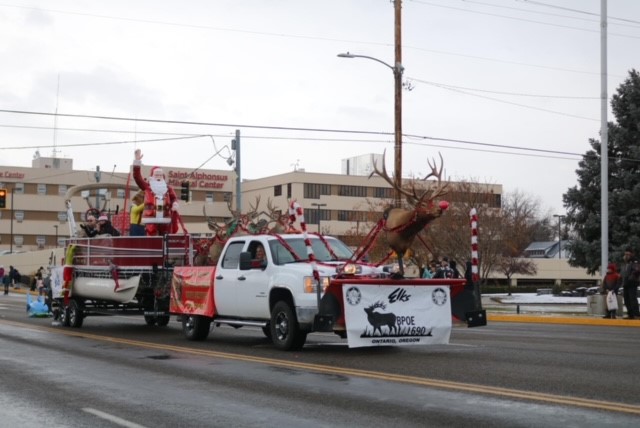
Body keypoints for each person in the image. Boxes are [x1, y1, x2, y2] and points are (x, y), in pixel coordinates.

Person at [132, 149, 180, 236]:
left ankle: (165, 249)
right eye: (156, 175)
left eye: (160, 175)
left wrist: (175, 204)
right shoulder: (147, 187)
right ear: (152, 176)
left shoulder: (168, 188)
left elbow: (174, 198)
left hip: (165, 217)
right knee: (152, 236)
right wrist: (137, 162)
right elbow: (137, 177)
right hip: (151, 218)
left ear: (163, 176)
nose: (158, 177)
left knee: (166, 237)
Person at [620, 248, 640, 319]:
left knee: (632, 299)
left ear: (632, 254)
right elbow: (623, 273)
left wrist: (630, 278)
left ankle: (636, 314)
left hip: (632, 283)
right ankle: (630, 314)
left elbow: (637, 270)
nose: (626, 256)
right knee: (626, 299)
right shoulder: (626, 263)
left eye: (628, 254)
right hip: (626, 283)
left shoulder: (635, 261)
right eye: (625, 254)